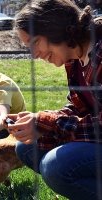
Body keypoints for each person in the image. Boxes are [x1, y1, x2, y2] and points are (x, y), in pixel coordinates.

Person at [7, 1, 102, 199]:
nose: (34, 55)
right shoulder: (75, 60)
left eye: (35, 42)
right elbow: (79, 109)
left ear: (53, 28)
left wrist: (51, 124)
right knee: (27, 147)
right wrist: (41, 120)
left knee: (56, 166)